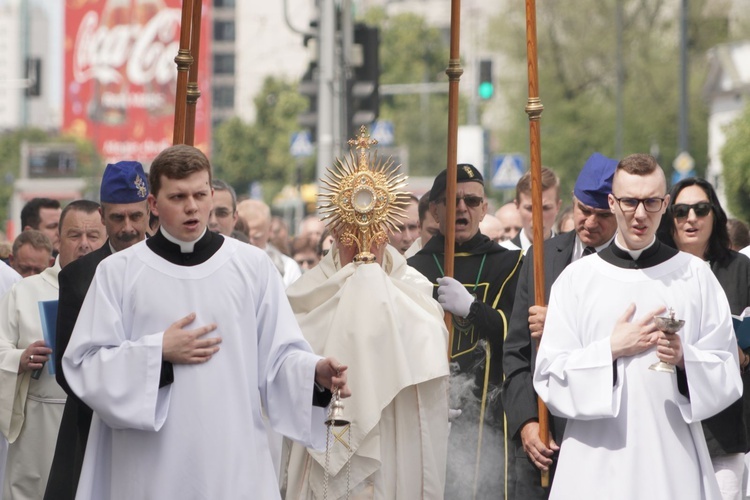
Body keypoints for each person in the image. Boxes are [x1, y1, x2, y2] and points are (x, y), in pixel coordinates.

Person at [61, 144, 349, 500]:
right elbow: (84, 365)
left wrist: (314, 374)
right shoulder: (118, 273)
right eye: (178, 196)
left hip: (229, 457)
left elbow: (278, 357)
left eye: (200, 194)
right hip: (148, 463)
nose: (191, 206)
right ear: (153, 204)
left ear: (212, 195)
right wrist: (158, 352)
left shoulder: (252, 267)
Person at [533, 154, 743, 499]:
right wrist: (610, 349)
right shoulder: (576, 281)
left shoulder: (695, 276)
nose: (641, 214)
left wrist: (683, 359)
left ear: (665, 205)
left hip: (672, 458)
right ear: (613, 203)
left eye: (651, 202)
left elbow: (726, 371)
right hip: (594, 460)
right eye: (630, 201)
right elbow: (550, 377)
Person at [284, 217, 449, 499]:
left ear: (387, 234)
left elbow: (431, 347)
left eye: (374, 232)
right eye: (352, 232)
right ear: (335, 233)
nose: (365, 244)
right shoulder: (305, 292)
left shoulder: (413, 288)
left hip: (394, 435)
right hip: (323, 429)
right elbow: (285, 364)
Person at [502, 152, 619, 499]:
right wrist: (526, 422)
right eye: (584, 210)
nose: (591, 222)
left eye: (602, 215)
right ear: (573, 203)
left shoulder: (632, 266)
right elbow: (517, 353)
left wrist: (560, 322)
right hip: (546, 441)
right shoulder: (542, 256)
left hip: (608, 439)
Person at [408, 163, 523, 499]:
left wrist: (473, 309)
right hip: (427, 412)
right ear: (435, 209)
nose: (462, 208)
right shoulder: (412, 270)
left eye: (472, 202)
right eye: (452, 200)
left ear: (484, 209)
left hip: (492, 412)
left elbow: (518, 337)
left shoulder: (512, 264)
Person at [44, 161, 150, 500]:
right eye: (118, 218)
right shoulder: (78, 276)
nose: (128, 227)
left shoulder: (173, 265)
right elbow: (67, 368)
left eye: (136, 216)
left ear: (151, 209)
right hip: (96, 422)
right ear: (103, 217)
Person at [0, 200, 105, 500]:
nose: (84, 245)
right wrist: (18, 359)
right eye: (74, 235)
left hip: (97, 422)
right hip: (39, 422)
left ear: (105, 237)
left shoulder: (114, 287)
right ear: (58, 240)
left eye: (92, 236)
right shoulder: (24, 291)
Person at [657, 177, 750, 500]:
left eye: (701, 209)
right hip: (667, 430)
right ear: (669, 220)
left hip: (724, 433)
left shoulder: (741, 270)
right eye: (681, 211)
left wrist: (743, 355)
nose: (691, 218)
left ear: (715, 215)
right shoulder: (654, 272)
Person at [237, 199, 302, 287]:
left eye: (256, 237)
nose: (250, 242)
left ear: (270, 229)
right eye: (245, 236)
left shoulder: (288, 267)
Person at [507, 168, 561, 252]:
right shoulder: (503, 254)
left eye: (546, 208)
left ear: (558, 206)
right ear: (517, 206)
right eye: (529, 208)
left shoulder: (571, 254)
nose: (538, 218)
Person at [404, 191, 440, 258]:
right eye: (433, 232)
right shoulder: (403, 266)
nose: (441, 239)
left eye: (450, 234)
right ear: (419, 226)